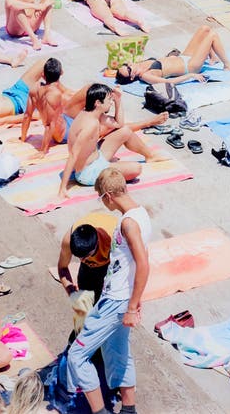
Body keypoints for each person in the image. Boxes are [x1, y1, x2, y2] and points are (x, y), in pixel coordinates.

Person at [67, 168, 151, 414]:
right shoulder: (140, 214)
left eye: (100, 198)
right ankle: (128, 409)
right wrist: (134, 299)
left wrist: (132, 307)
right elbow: (137, 262)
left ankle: (100, 411)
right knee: (117, 351)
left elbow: (143, 264)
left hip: (116, 300)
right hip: (122, 297)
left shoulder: (128, 223)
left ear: (108, 196)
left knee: (77, 355)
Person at [58, 85, 167, 200]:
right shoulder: (90, 125)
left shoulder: (91, 113)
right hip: (88, 173)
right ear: (98, 103)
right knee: (136, 169)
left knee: (125, 131)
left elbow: (119, 124)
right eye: (109, 99)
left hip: (96, 157)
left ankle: (150, 156)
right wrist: (63, 188)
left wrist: (118, 100)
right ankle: (107, 170)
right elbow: (73, 154)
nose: (111, 102)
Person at [54, 213, 116, 307]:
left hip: (111, 262)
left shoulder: (114, 239)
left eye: (85, 256)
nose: (81, 259)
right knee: (85, 303)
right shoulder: (68, 241)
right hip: (89, 269)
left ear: (96, 244)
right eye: (78, 256)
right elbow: (62, 268)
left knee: (107, 303)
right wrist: (72, 292)